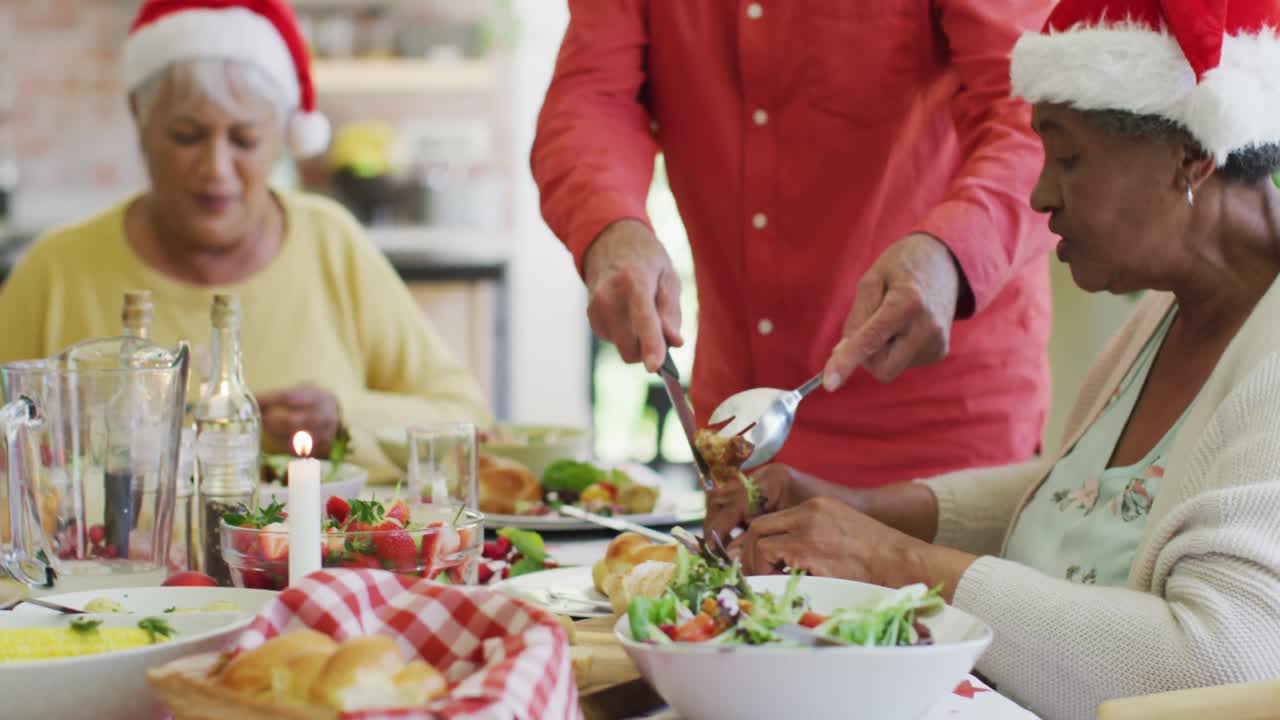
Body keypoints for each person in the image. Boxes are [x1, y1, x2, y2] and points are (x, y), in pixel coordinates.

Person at [709, 1, 1280, 717]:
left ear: (1191, 155)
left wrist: (891, 563)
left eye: (1069, 158)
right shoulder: (1168, 314)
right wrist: (861, 510)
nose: (1040, 195)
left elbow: (1215, 666)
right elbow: (1078, 500)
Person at [531, 1, 1059, 488]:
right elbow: (593, 96)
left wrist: (952, 251)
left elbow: (1031, 111)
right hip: (747, 430)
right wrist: (610, 229)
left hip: (941, 430)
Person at [0, 0, 490, 483]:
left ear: (281, 136)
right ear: (140, 123)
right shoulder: (55, 270)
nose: (216, 169)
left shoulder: (330, 243)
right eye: (187, 136)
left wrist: (343, 422)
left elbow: (466, 421)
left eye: (245, 139)